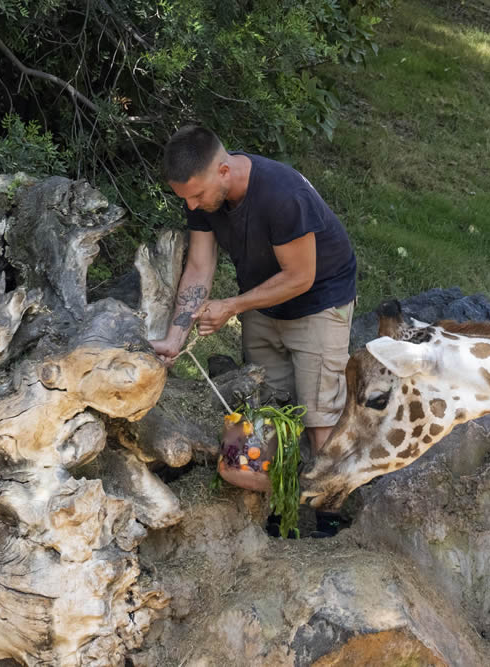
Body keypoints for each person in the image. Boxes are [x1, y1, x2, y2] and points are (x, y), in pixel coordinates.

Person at [150, 125, 356, 535]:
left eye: (196, 195)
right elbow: (199, 267)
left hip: (319, 300)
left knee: (318, 416)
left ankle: (330, 519)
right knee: (268, 410)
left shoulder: (282, 195)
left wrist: (232, 306)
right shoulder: (202, 194)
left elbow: (301, 276)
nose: (192, 205)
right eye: (185, 198)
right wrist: (176, 337)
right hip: (263, 299)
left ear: (223, 171)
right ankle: (280, 509)